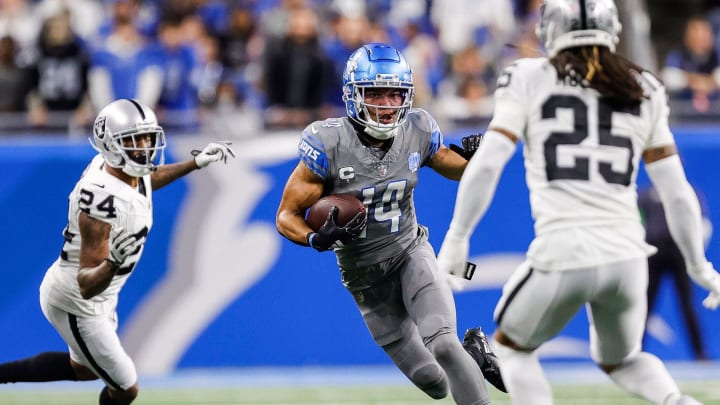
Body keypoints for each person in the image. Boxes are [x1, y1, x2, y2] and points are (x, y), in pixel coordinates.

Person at [436, 1, 720, 404]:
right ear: (613, 31)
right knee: (624, 360)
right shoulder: (644, 86)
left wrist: (458, 237)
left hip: (564, 250)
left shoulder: (529, 76)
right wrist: (700, 266)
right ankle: (677, 401)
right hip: (627, 257)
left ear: (551, 31)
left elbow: (488, 163)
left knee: (511, 349)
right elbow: (677, 191)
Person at [275, 43, 504, 404]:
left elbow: (453, 167)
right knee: (435, 383)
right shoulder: (330, 142)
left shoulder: (417, 128)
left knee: (443, 343)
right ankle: (474, 355)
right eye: (376, 94)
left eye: (395, 94)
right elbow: (286, 215)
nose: (386, 105)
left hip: (410, 252)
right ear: (353, 95)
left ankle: (464, 357)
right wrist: (315, 237)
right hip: (365, 279)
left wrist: (479, 158)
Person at [0, 98, 234, 405]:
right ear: (110, 145)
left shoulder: (122, 168)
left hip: (99, 294)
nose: (144, 147)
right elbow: (85, 284)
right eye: (133, 140)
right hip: (77, 300)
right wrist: (113, 262)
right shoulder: (100, 198)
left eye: (148, 137)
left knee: (83, 370)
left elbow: (146, 181)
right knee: (126, 388)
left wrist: (195, 163)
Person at [639, 185, 711, 360]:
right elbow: (637, 222)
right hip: (653, 253)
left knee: (687, 304)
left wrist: (696, 255)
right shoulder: (646, 196)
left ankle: (700, 354)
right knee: (644, 305)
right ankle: (634, 352)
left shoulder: (688, 194)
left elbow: (702, 224)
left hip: (679, 252)